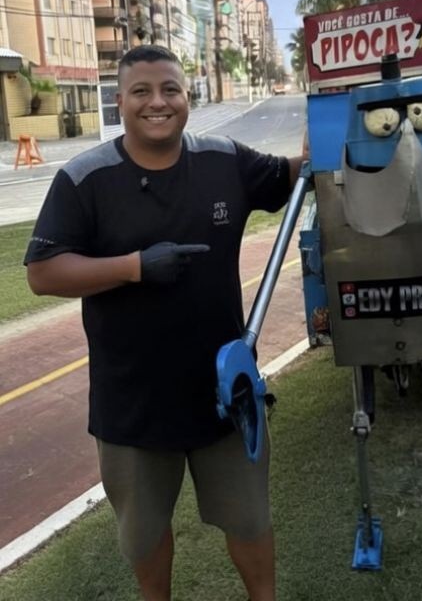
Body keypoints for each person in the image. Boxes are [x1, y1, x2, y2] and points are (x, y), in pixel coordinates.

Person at [24, 45, 304, 601]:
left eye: (170, 90)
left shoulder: (225, 160)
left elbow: (293, 177)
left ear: (187, 97)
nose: (158, 103)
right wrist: (134, 267)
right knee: (145, 533)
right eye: (142, 92)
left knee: (249, 519)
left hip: (226, 390)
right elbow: (43, 271)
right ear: (121, 101)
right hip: (132, 402)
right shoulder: (87, 178)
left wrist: (322, 138)